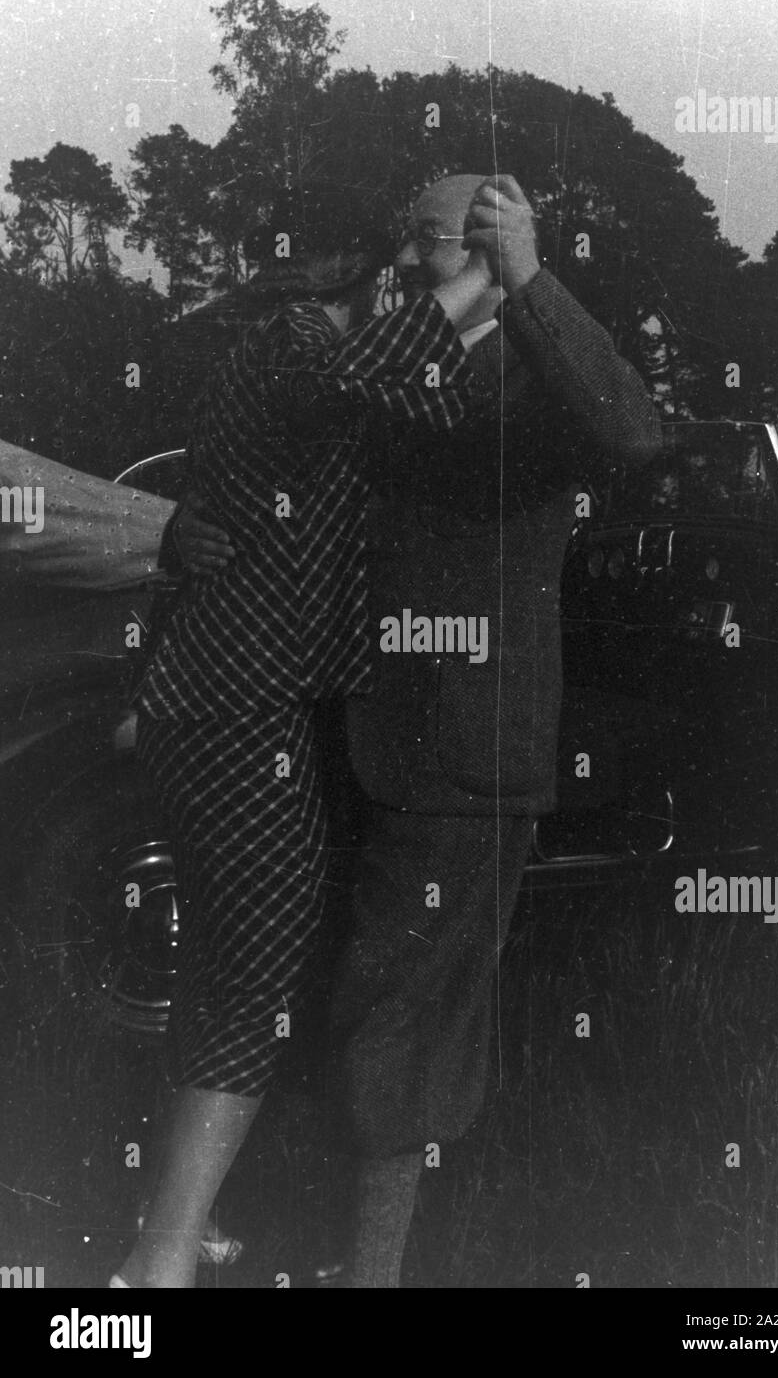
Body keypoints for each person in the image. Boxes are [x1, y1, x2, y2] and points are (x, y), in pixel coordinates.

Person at [172, 172, 661, 1287]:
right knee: (316, 995)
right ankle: (292, 1242)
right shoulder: (391, 353)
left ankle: (373, 1271)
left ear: (490, 248)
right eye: (403, 237)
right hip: (336, 729)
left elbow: (636, 435)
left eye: (429, 240)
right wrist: (188, 522)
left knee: (401, 1019)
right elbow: (287, 465)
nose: (400, 261)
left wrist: (533, 280)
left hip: (459, 754)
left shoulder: (540, 370)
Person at [111, 186, 496, 1289]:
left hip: (224, 701)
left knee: (217, 969)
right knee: (252, 980)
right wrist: (488, 272)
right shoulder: (295, 342)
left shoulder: (290, 350)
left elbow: (410, 390)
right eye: (400, 260)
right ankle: (159, 1260)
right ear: (361, 269)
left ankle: (175, 1217)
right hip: (239, 708)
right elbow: (371, 374)